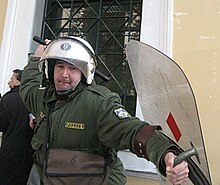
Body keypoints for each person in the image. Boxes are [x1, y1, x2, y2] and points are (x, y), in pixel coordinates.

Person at [20, 37, 189, 185]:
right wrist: (36, 58)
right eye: (60, 66)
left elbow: (131, 130)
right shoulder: (43, 98)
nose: (64, 74)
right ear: (51, 70)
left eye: (73, 68)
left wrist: (165, 153)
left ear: (85, 72)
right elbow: (28, 85)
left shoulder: (99, 102)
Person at [0, 69, 34, 185]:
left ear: (19, 82)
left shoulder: (8, 99)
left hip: (9, 150)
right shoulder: (32, 99)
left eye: (12, 79)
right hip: (28, 152)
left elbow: (2, 124)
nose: (9, 82)